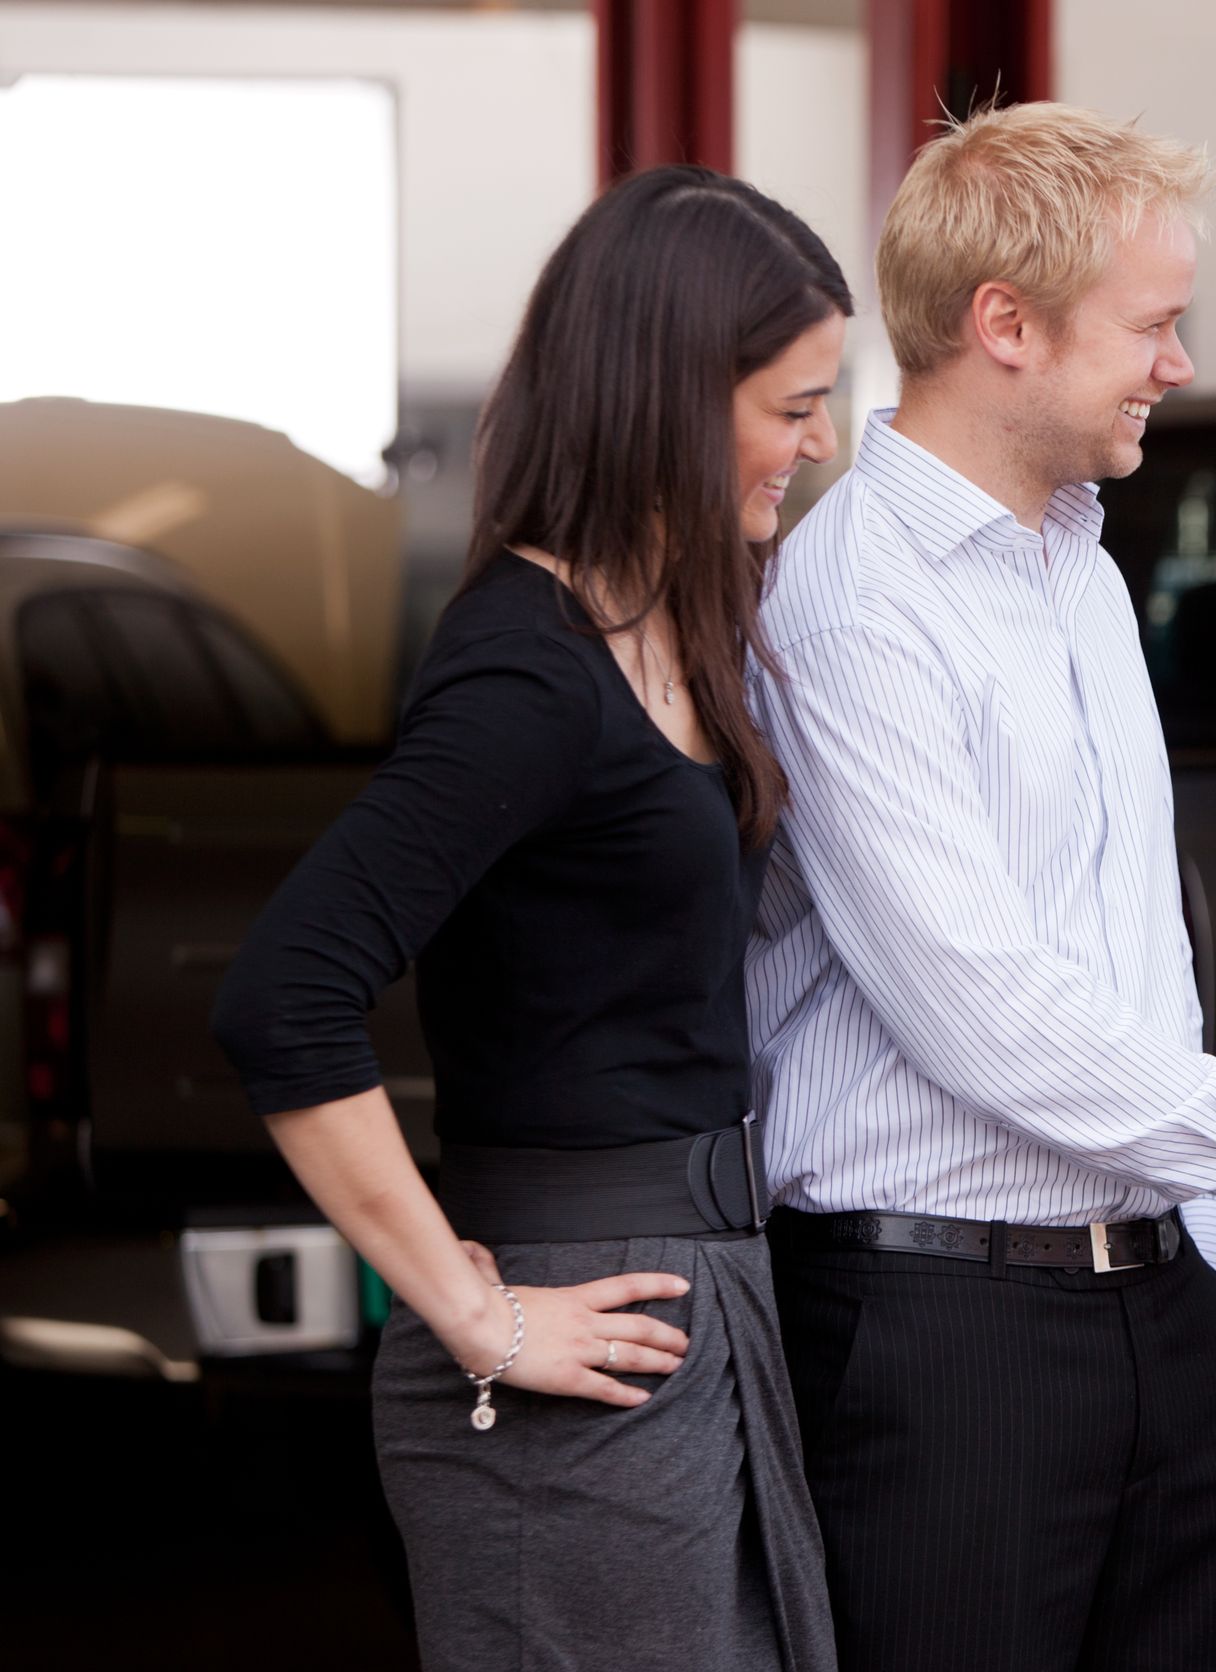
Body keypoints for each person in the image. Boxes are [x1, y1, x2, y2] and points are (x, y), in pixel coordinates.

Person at [745, 101, 1216, 1671]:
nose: (1177, 364)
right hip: (949, 1346)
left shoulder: (1086, 568)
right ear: (1006, 327)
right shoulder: (852, 605)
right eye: (1155, 325)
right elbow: (987, 1009)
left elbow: (1131, 959)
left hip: (1162, 1307)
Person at [211, 166, 852, 1671]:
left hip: (701, 1303)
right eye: (793, 404)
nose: (820, 443)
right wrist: (477, 1315)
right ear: (670, 398)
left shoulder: (682, 628)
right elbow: (282, 993)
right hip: (574, 1337)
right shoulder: (528, 671)